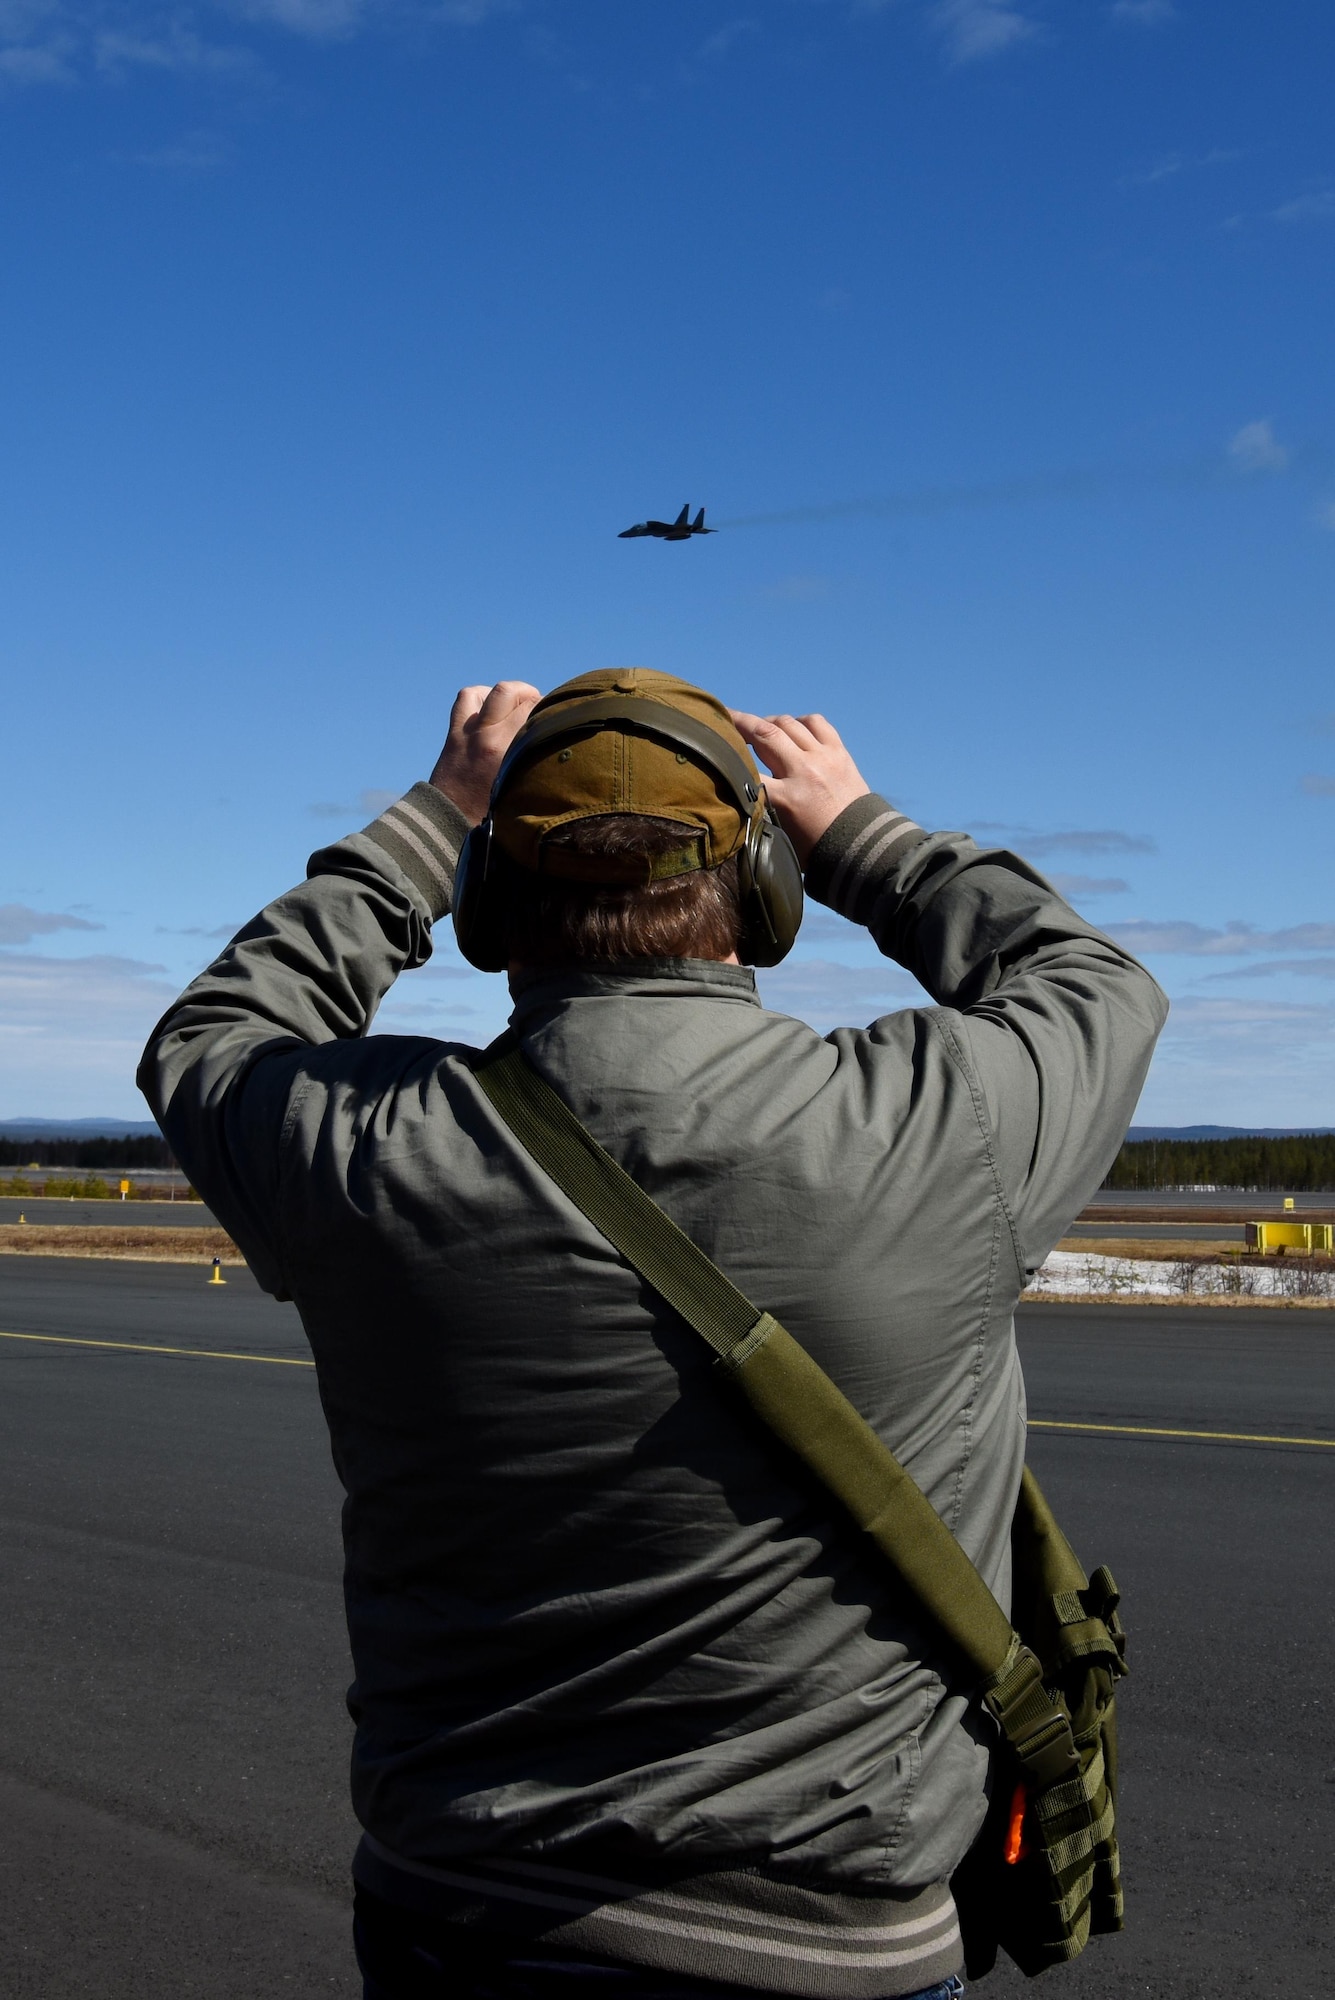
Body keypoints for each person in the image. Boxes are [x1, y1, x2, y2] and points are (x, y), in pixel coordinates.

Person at [138, 666, 1166, 2000]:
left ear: (492, 902)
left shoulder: (364, 1147)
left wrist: (436, 813)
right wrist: (864, 831)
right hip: (840, 1946)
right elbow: (1095, 983)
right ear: (768, 897)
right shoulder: (939, 1119)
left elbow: (212, 1036)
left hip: (468, 1918)